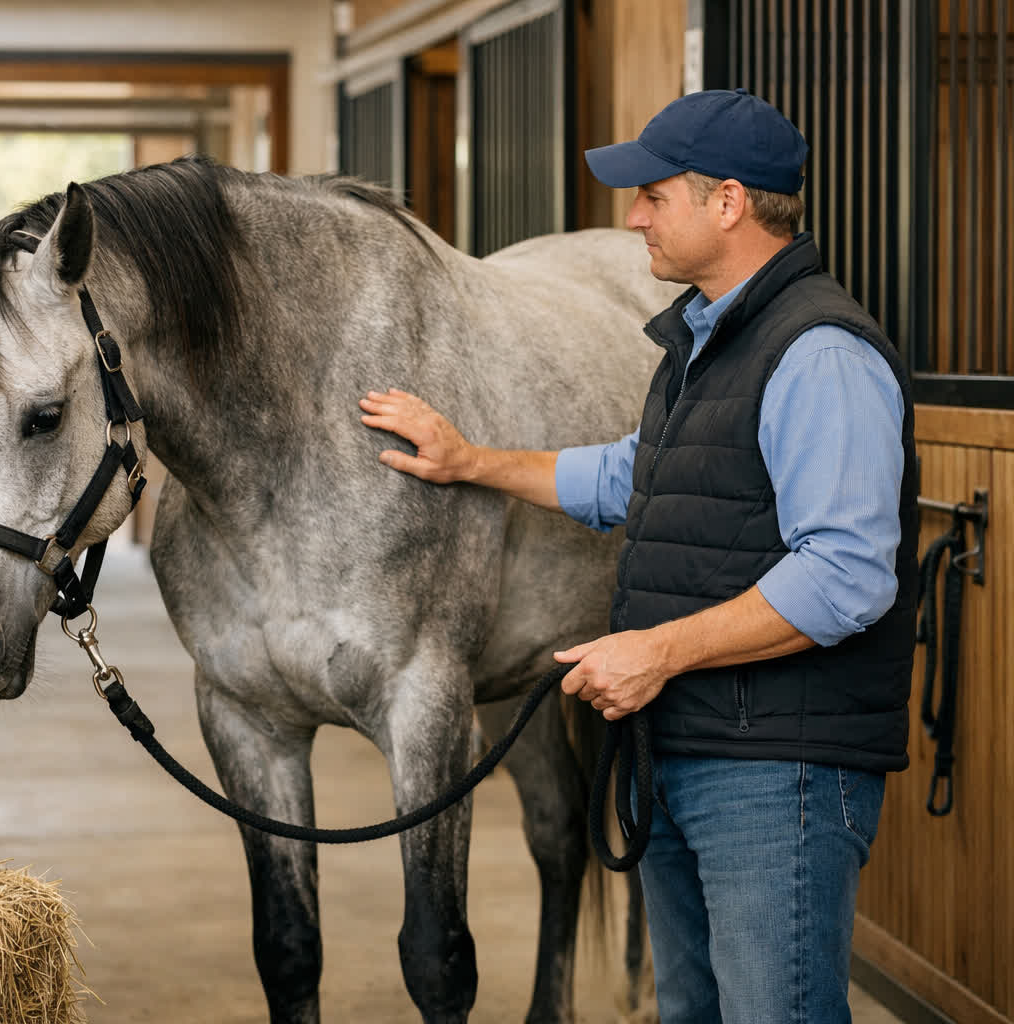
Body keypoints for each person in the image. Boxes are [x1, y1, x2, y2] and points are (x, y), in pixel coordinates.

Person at [358, 88, 917, 1024]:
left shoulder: (818, 355)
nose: (632, 217)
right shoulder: (704, 345)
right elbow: (631, 477)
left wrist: (654, 651)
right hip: (690, 749)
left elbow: (846, 575)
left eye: (656, 195)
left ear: (729, 203)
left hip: (778, 773)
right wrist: (472, 461)